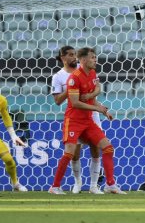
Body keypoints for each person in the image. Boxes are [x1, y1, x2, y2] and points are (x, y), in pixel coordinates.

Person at [48, 47, 126, 195]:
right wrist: (96, 109)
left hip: (88, 120)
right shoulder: (73, 78)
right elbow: (75, 102)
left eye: (95, 57)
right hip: (74, 121)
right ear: (83, 60)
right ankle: (55, 186)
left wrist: (103, 109)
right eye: (92, 57)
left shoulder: (92, 73)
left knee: (107, 147)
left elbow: (94, 95)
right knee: (71, 153)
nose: (95, 60)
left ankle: (109, 185)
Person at [51, 45, 103, 194]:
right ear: (63, 58)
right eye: (70, 55)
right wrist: (70, 89)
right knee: (75, 151)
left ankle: (93, 185)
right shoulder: (58, 76)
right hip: (75, 116)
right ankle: (77, 183)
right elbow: (57, 101)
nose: (74, 57)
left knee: (96, 147)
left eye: (75, 54)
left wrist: (94, 99)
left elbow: (96, 88)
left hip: (92, 113)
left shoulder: (86, 70)